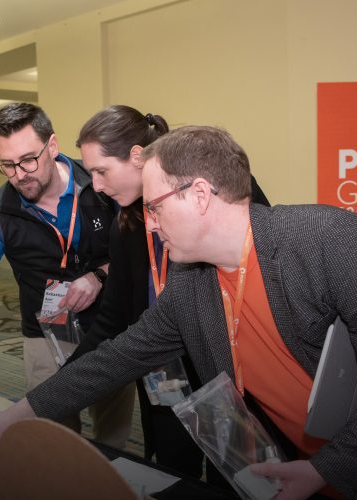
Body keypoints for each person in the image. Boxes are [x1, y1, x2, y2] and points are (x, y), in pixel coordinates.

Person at [0, 126, 357, 500]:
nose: (149, 224)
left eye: (154, 207)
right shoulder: (192, 282)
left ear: (200, 194)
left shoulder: (327, 239)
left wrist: (324, 470)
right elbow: (115, 357)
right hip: (307, 470)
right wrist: (18, 415)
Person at [71, 105, 270, 482]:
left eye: (101, 171)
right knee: (172, 475)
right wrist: (65, 381)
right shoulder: (126, 225)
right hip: (165, 379)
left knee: (241, 479)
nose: (95, 185)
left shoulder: (216, 193)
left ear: (136, 157)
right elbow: (114, 319)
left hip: (228, 375)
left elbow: (260, 270)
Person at [0, 103, 135, 449]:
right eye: (7, 165)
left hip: (109, 324)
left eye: (28, 160)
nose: (19, 174)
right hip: (45, 333)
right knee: (53, 435)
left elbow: (138, 254)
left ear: (52, 146)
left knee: (113, 434)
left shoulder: (98, 182)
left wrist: (98, 276)